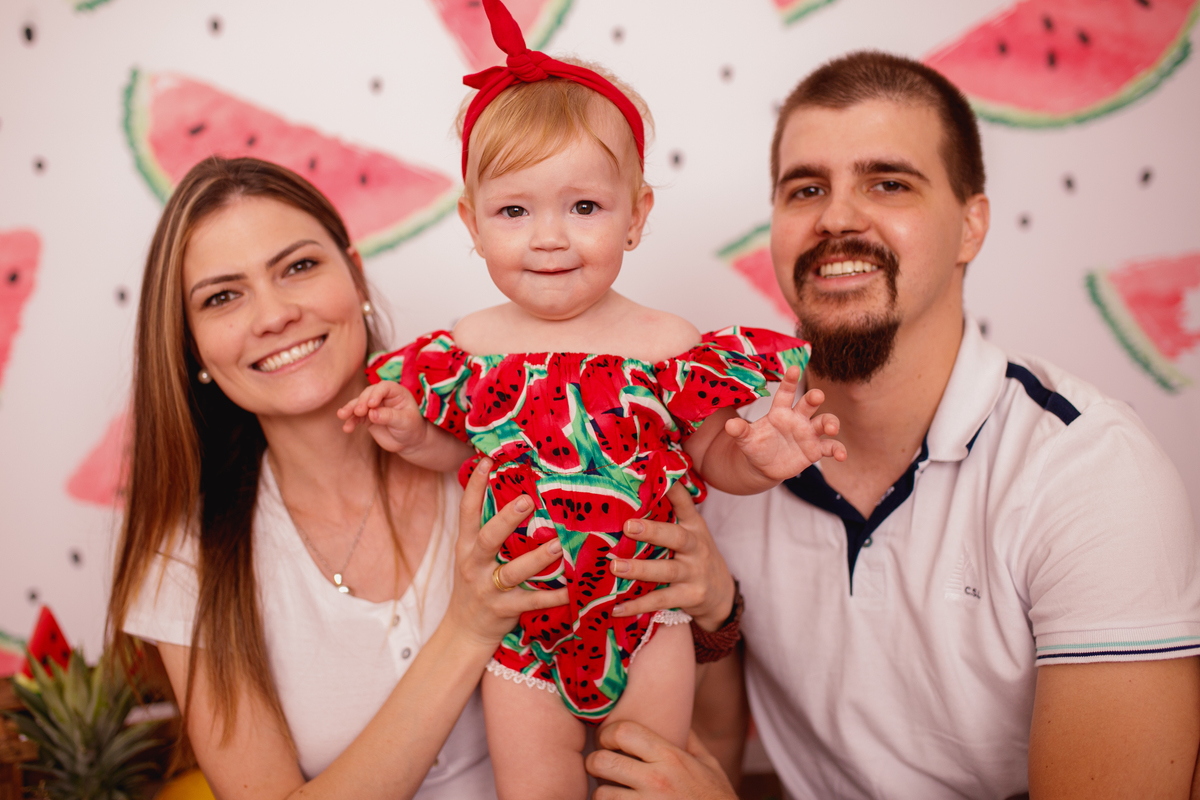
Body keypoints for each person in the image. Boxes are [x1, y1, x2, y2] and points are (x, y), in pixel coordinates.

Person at [585, 51, 1200, 799]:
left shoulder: (1089, 474)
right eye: (806, 188)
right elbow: (702, 735)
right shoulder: (720, 451)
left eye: (889, 183)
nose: (838, 218)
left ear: (971, 225)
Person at [104, 155, 733, 799]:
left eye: (298, 267)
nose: (272, 315)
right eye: (222, 296)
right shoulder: (187, 560)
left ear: (353, 272)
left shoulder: (506, 446)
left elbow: (683, 735)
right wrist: (467, 628)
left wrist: (719, 613)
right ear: (192, 343)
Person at [337, 2, 845, 798]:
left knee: (643, 780)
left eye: (583, 207)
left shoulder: (669, 342)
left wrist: (760, 461)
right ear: (471, 224)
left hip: (647, 625)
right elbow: (465, 456)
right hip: (520, 628)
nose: (549, 237)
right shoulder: (470, 345)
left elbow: (707, 458)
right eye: (515, 210)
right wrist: (409, 433)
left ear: (636, 216)